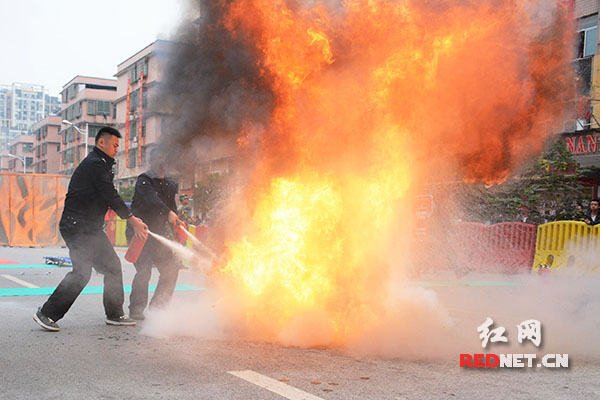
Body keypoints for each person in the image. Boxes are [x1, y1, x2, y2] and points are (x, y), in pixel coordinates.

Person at [33, 127, 148, 332]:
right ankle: (47, 313)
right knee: (82, 272)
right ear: (101, 143)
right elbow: (110, 194)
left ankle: (114, 314)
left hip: (90, 229)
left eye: (117, 147)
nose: (116, 150)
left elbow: (107, 195)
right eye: (114, 145)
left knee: (112, 266)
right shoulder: (95, 165)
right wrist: (132, 219)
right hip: (77, 227)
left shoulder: (102, 165)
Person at [127, 148, 181, 320]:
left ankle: (158, 308)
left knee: (171, 267)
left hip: (157, 234)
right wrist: (168, 213)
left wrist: (176, 228)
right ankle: (136, 309)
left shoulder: (171, 182)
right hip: (140, 233)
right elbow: (152, 200)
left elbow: (172, 207)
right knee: (144, 270)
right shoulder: (145, 180)